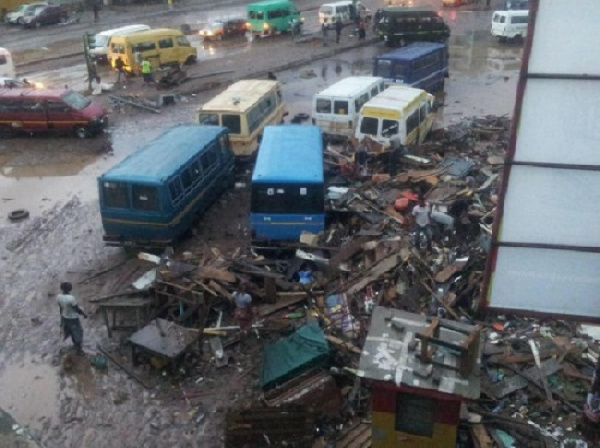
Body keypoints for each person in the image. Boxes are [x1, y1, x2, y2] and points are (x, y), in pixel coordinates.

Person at [57, 282, 88, 354]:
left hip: (64, 317)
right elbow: (76, 309)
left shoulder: (59, 297)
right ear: (69, 289)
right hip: (73, 318)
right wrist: (84, 314)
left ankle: (64, 346)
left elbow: (60, 307)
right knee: (78, 332)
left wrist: (61, 316)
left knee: (68, 331)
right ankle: (78, 349)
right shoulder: (71, 298)